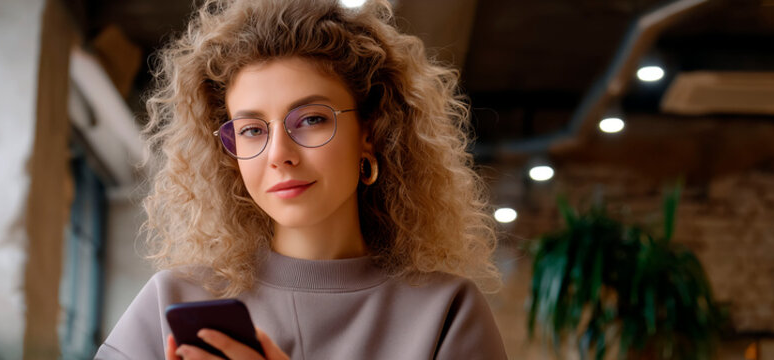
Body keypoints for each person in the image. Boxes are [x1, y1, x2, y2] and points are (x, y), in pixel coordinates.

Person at [95, 0, 507, 358]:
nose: (279, 156)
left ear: (370, 132)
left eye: (310, 120)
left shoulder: (447, 312)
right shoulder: (172, 303)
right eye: (252, 129)